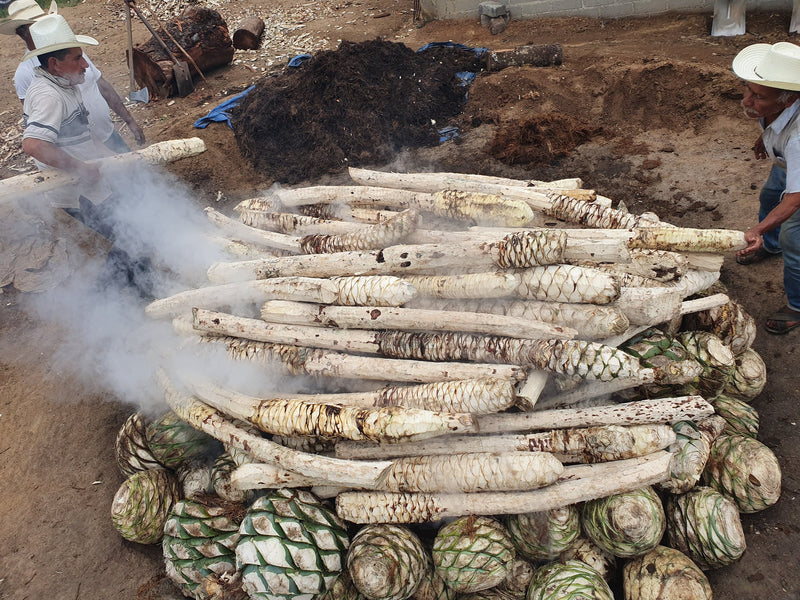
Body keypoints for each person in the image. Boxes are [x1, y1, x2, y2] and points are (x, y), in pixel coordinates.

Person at [21, 13, 153, 299]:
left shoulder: (67, 84)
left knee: (133, 232)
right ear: (55, 64)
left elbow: (81, 131)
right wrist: (80, 168)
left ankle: (138, 291)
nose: (85, 64)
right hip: (75, 191)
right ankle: (109, 300)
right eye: (77, 58)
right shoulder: (48, 95)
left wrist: (112, 159)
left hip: (91, 181)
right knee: (131, 236)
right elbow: (33, 144)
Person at [0, 0, 145, 152]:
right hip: (77, 153)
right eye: (37, 25)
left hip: (106, 135)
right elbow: (38, 129)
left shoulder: (70, 51)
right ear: (21, 33)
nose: (84, 64)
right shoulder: (25, 75)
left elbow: (101, 84)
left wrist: (129, 120)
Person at [733, 42, 800, 334]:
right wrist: (767, 139)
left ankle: (797, 306)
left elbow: (796, 198)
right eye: (747, 89)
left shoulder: (798, 138)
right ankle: (770, 248)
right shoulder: (774, 104)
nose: (747, 101)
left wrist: (757, 229)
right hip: (787, 161)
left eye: (757, 96)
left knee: (793, 239)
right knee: (770, 196)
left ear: (787, 101)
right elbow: (771, 122)